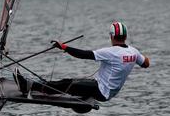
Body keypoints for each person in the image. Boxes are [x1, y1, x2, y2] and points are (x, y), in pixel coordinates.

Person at [13, 22, 150, 101]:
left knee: (68, 84)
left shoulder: (111, 52)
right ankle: (38, 85)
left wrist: (64, 47)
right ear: (125, 36)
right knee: (70, 82)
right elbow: (146, 64)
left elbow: (84, 55)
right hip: (107, 91)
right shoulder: (133, 51)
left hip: (101, 91)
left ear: (112, 36)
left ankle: (29, 86)